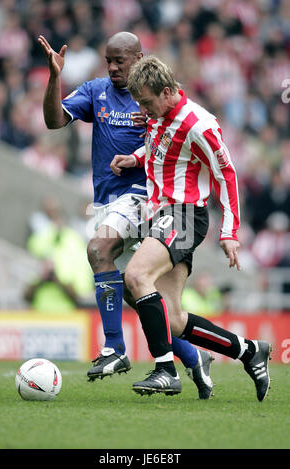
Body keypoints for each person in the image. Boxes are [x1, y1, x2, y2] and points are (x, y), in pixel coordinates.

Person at [38, 32, 214, 399]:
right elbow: (54, 122)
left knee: (98, 250)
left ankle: (115, 348)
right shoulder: (95, 91)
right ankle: (192, 357)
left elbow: (186, 131)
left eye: (121, 60)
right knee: (139, 294)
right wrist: (55, 76)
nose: (114, 67)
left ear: (139, 58)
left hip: (149, 198)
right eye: (109, 61)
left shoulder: (157, 95)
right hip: (111, 202)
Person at [110, 55, 272, 401]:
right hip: (162, 214)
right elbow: (163, 150)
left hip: (184, 215)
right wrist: (136, 159)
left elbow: (226, 174)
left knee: (136, 277)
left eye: (147, 102)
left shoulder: (199, 123)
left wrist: (229, 232)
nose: (144, 109)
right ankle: (248, 350)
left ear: (167, 92)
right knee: (171, 315)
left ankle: (166, 369)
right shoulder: (159, 115)